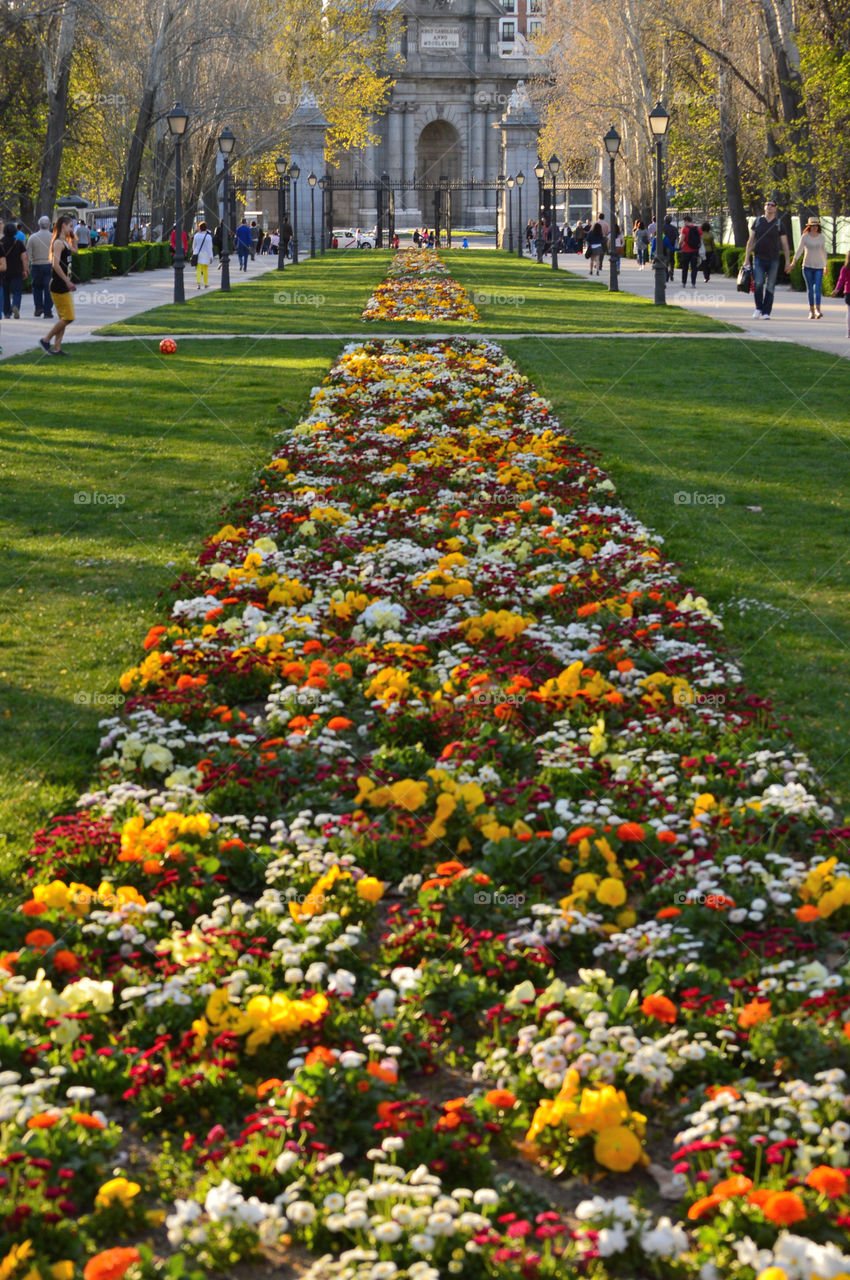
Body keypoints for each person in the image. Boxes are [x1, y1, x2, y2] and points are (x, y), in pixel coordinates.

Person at [744, 199, 791, 319]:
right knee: (758, 283)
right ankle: (758, 308)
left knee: (770, 285)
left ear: (775, 208)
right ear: (764, 207)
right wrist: (746, 258)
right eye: (767, 205)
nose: (769, 206)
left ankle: (766, 312)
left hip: (773, 259)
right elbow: (750, 241)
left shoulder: (779, 224)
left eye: (772, 205)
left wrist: (787, 261)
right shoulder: (758, 221)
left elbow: (785, 244)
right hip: (758, 257)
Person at [38, 214, 76, 356]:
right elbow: (55, 264)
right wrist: (67, 281)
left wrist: (73, 236)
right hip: (59, 285)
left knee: (63, 318)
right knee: (69, 317)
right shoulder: (58, 243)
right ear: (63, 226)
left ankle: (57, 348)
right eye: (70, 226)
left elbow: (76, 250)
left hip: (63, 284)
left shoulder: (65, 242)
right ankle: (46, 340)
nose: (71, 228)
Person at [789, 216, 827, 318]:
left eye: (816, 225)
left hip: (819, 266)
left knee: (817, 288)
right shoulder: (805, 237)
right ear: (809, 226)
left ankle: (818, 310)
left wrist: (825, 265)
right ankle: (811, 311)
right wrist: (793, 262)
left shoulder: (821, 237)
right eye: (812, 226)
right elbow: (799, 250)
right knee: (810, 289)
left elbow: (823, 251)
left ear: (818, 226)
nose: (814, 227)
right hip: (807, 266)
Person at [27, 215, 54, 319]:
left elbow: (28, 254)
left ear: (39, 225)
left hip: (36, 265)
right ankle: (48, 311)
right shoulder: (53, 237)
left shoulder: (33, 237)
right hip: (49, 265)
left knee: (37, 288)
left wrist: (27, 266)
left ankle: (38, 308)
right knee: (49, 289)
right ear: (49, 225)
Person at [1, 222, 28, 320]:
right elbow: (24, 257)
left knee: (5, 292)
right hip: (17, 270)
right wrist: (25, 269)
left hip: (4, 271)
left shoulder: (1, 242)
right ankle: (15, 305)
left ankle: (7, 312)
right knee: (17, 291)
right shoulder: (18, 242)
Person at [679, 216, 702, 287]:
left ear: (686, 221)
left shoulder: (684, 229)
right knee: (694, 267)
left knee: (685, 267)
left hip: (686, 250)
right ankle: (693, 283)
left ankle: (684, 283)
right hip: (695, 250)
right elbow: (701, 239)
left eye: (684, 221)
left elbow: (681, 240)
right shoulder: (698, 228)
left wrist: (680, 246)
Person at [191, 220, 214, 289]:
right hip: (206, 254)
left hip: (198, 254)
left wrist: (194, 252)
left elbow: (194, 245)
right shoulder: (208, 236)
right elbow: (210, 247)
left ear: (200, 228)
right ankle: (205, 283)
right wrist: (211, 256)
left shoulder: (196, 235)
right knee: (205, 270)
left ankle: (198, 284)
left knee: (198, 269)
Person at [834, 250, 850, 338]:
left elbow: (841, 280)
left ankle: (849, 331)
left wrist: (837, 289)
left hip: (848, 292)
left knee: (849, 312)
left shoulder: (844, 268)